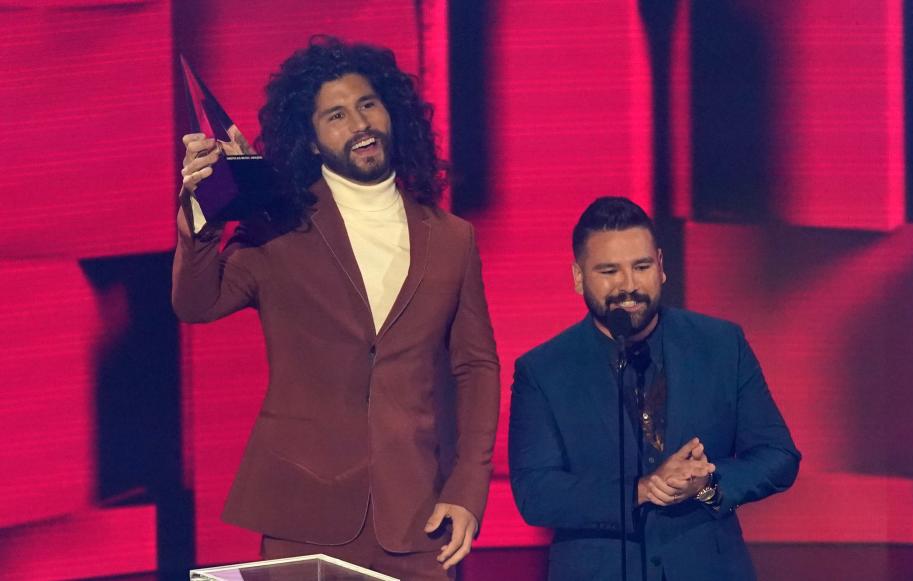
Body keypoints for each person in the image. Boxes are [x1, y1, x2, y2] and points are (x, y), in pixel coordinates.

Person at [173, 36, 499, 579]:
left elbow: (476, 365)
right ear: (313, 139)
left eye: (368, 104)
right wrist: (202, 209)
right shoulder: (277, 227)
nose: (359, 123)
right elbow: (196, 303)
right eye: (337, 115)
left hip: (417, 517)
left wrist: (468, 486)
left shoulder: (453, 239)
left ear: (392, 111)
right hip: (303, 510)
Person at [509, 197, 800, 580]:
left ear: (661, 267)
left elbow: (778, 455)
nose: (628, 286)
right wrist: (640, 490)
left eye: (641, 267)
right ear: (578, 277)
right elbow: (537, 493)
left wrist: (709, 483)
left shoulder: (722, 344)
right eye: (609, 271)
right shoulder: (543, 370)